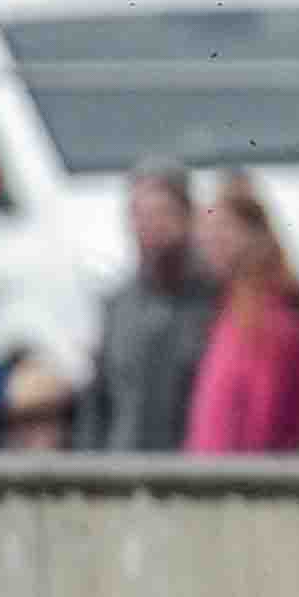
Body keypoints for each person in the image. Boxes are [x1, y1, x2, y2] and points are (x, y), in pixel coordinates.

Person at [178, 174, 299, 455]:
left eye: (222, 231)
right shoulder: (230, 314)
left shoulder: (274, 325)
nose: (209, 244)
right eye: (206, 233)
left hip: (247, 476)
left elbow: (264, 428)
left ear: (253, 234)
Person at [93, 160, 219, 454]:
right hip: (123, 466)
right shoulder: (118, 307)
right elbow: (99, 405)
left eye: (163, 213)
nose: (151, 227)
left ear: (188, 216)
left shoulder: (216, 302)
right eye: (141, 215)